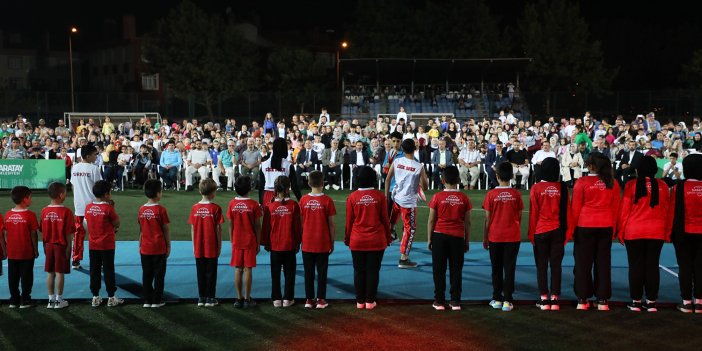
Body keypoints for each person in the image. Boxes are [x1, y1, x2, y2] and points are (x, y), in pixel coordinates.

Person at [569, 152, 621, 311]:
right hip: (605, 226)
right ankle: (602, 300)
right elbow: (616, 208)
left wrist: (571, 230)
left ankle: (582, 299)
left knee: (583, 263)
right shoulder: (613, 182)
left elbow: (575, 209)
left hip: (585, 226)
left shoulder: (582, 182)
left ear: (592, 166)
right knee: (603, 263)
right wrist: (614, 229)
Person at [617, 156, 669, 312]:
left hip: (634, 231)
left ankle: (636, 301)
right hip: (656, 231)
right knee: (652, 266)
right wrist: (666, 231)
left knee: (636, 266)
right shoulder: (663, 185)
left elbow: (624, 211)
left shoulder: (631, 185)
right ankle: (651, 302)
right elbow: (666, 210)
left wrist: (621, 231)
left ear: (638, 170)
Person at [345, 166, 391, 310]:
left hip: (357, 239)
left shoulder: (352, 197)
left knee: (359, 270)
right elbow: (385, 220)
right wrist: (388, 237)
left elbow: (349, 221)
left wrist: (347, 238)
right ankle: (370, 300)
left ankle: (360, 300)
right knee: (373, 270)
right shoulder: (380, 197)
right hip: (376, 239)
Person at [427, 166, 471, 311]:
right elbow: (468, 222)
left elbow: (431, 220)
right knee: (456, 269)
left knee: (438, 270)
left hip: (439, 236)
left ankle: (439, 300)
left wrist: (429, 239)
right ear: (458, 179)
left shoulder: (437, 197)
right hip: (457, 237)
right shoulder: (464, 197)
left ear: (442, 180)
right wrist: (466, 241)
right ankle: (455, 301)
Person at [528, 158, 568, 311]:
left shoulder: (536, 188)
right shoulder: (561, 187)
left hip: (541, 231)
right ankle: (555, 298)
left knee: (542, 266)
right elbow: (567, 212)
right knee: (556, 265)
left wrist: (531, 234)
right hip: (558, 230)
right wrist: (567, 233)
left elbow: (533, 214)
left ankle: (544, 298)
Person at [482, 162, 523, 312]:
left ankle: (497, 298)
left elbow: (488, 219)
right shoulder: (516, 194)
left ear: (497, 176)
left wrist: (485, 237)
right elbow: (519, 217)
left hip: (495, 236)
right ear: (512, 176)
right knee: (510, 268)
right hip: (512, 236)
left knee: (496, 268)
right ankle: (508, 300)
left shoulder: (491, 194)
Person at [385, 138, 429, 269]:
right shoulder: (419, 166)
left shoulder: (397, 161)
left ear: (402, 149)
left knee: (393, 220)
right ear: (415, 149)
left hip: (396, 197)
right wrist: (421, 183)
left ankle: (390, 235)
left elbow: (387, 180)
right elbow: (425, 187)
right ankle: (404, 258)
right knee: (410, 229)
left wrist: (386, 196)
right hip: (408, 202)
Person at [669, 153, 702, 313]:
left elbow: (673, 212)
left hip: (683, 233)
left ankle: (687, 301)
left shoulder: (678, 187)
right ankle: (700, 302)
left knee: (685, 267)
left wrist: (669, 233)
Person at [262, 176, 301, 308]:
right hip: (289, 245)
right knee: (290, 273)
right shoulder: (294, 205)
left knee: (275, 273)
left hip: (275, 245)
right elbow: (297, 227)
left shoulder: (270, 206)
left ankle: (276, 299)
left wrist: (266, 242)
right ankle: (288, 298)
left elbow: (266, 227)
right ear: (288, 188)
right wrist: (297, 243)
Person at [299, 170, 336, 309]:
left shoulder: (303, 200)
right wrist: (331, 242)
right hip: (322, 241)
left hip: (307, 242)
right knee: (322, 272)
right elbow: (332, 224)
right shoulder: (327, 200)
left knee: (308, 272)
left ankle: (309, 299)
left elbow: (300, 222)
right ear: (323, 182)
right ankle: (320, 299)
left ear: (308, 183)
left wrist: (301, 239)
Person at [85, 180, 123, 307]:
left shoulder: (88, 207)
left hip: (93, 244)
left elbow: (86, 223)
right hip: (107, 245)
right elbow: (116, 223)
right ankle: (111, 297)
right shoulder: (108, 208)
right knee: (108, 270)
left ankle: (95, 296)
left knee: (94, 270)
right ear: (106, 194)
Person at [227, 176, 262, 308]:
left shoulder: (232, 203)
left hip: (236, 239)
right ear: (250, 188)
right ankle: (247, 299)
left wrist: (232, 239)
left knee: (238, 269)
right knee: (248, 269)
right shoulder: (253, 204)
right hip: (249, 240)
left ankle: (238, 298)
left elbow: (230, 224)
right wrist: (258, 242)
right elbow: (257, 226)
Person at [40, 182, 75, 309]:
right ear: (61, 195)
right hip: (61, 245)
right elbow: (68, 233)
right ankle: (59, 300)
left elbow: (43, 230)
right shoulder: (66, 212)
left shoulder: (44, 211)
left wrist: (44, 245)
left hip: (48, 245)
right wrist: (69, 248)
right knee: (60, 272)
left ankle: (51, 300)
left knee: (50, 272)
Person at [189, 178, 223, 307]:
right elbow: (218, 228)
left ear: (200, 191)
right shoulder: (216, 208)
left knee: (200, 272)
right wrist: (219, 245)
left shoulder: (195, 208)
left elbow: (192, 227)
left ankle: (201, 297)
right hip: (211, 245)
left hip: (198, 245)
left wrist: (194, 245)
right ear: (213, 193)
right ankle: (210, 297)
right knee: (211, 272)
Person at [138, 179, 171, 308]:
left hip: (145, 247)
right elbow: (165, 229)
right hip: (158, 247)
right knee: (159, 275)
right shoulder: (161, 210)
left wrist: (140, 244)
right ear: (158, 193)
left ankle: (147, 299)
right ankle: (157, 300)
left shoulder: (141, 209)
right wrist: (168, 245)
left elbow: (141, 228)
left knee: (146, 274)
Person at [4, 186, 39, 308]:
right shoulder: (30, 215)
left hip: (12, 252)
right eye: (30, 197)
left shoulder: (8, 215)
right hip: (26, 252)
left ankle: (14, 300)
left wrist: (7, 248)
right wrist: (35, 249)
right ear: (25, 199)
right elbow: (33, 234)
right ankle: (26, 300)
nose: (31, 200)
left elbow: (6, 233)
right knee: (26, 276)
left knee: (12, 276)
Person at [70, 144, 102, 270]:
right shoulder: (94, 169)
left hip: (79, 206)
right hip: (93, 207)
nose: (96, 156)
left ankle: (75, 260)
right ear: (88, 156)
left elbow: (73, 186)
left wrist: (77, 197)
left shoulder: (75, 168)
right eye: (95, 154)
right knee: (97, 235)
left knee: (78, 234)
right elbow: (99, 188)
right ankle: (98, 261)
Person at [258, 138, 301, 205]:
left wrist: (260, 201)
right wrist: (300, 200)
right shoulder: (288, 165)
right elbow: (294, 185)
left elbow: (261, 185)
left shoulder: (264, 164)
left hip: (267, 195)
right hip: (283, 195)